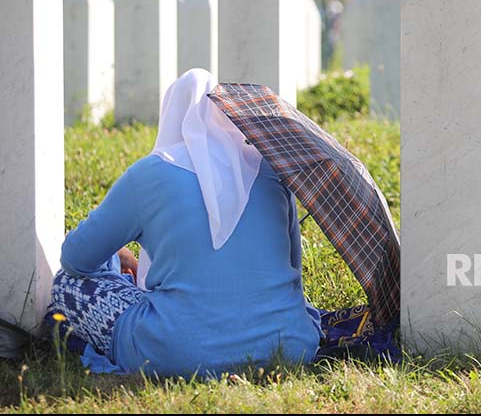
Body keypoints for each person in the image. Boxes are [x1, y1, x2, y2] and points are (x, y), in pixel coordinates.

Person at [47, 69, 323, 376]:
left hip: (177, 353)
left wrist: (119, 254)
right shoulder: (269, 169)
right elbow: (293, 272)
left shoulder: (151, 174)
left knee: (66, 285)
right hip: (291, 345)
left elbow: (76, 260)